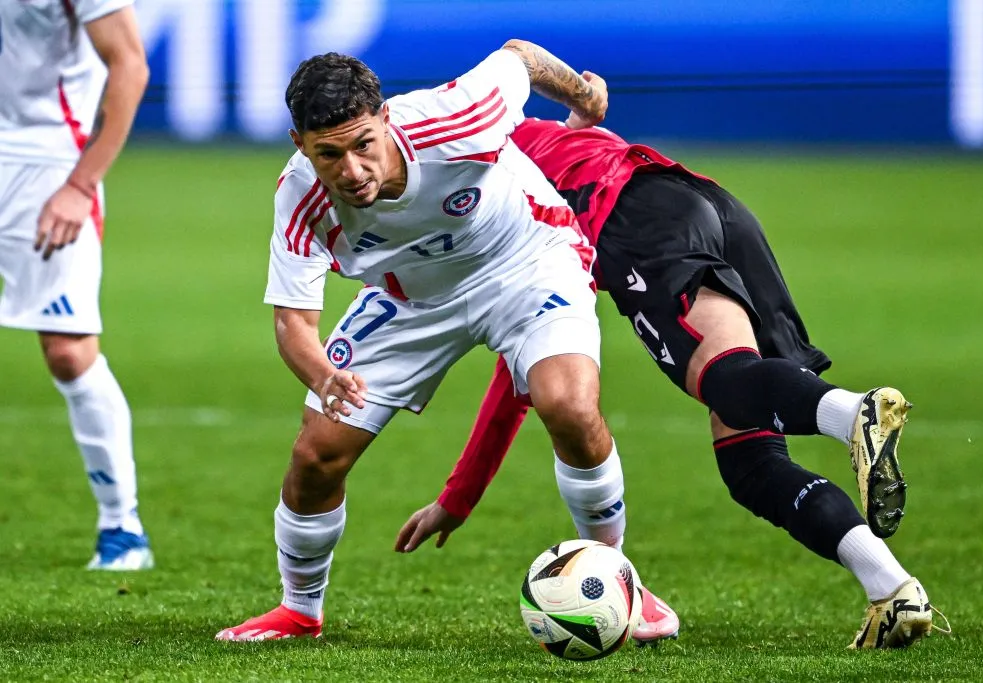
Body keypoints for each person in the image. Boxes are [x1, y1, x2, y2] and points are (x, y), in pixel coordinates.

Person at [395, 119, 950, 649]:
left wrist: (459, 496)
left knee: (722, 379)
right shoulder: (501, 128)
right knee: (752, 464)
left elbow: (525, 366)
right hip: (711, 207)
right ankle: (892, 589)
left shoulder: (461, 173)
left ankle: (854, 414)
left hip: (631, 222)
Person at [215, 42, 677, 643]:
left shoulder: (459, 115)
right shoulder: (299, 196)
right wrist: (324, 378)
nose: (352, 171)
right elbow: (293, 324)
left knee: (568, 404)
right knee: (316, 455)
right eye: (329, 154)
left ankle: (620, 580)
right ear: (300, 144)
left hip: (526, 261)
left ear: (385, 119)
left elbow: (520, 56)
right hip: (409, 298)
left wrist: (584, 98)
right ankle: (299, 610)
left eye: (364, 145)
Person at [0, 0, 153, 569]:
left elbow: (129, 63)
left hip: (44, 162)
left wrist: (80, 185)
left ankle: (122, 526)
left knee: (68, 351)